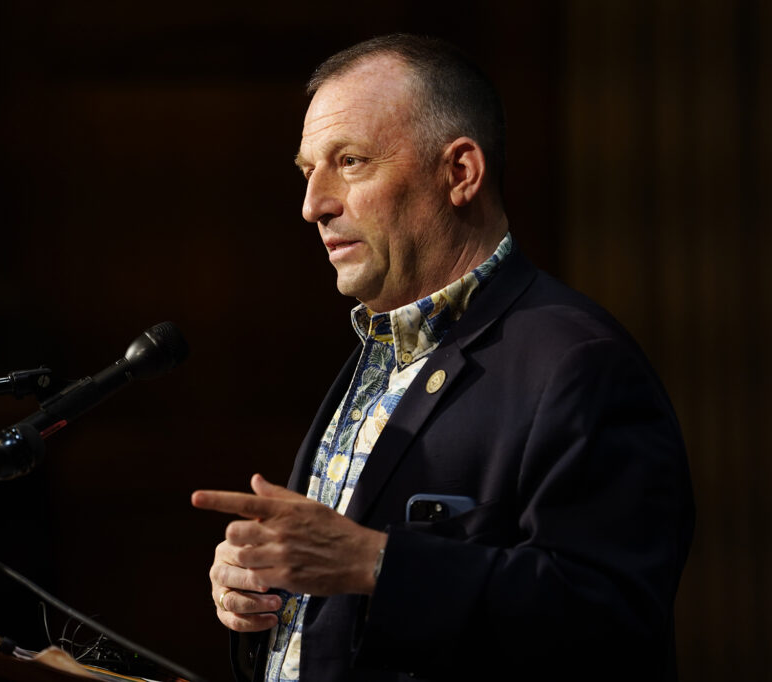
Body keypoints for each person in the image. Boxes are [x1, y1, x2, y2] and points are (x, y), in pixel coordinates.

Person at [191, 34, 693, 682]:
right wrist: (265, 592)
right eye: (307, 170)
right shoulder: (379, 357)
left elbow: (613, 620)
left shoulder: (580, 363)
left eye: (349, 161)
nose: (314, 204)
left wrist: (376, 563)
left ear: (459, 173)